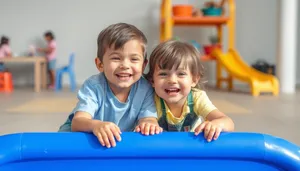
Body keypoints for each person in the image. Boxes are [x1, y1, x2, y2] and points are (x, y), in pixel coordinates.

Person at [58, 23, 162, 148]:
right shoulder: (94, 86)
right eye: (116, 58)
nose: (125, 65)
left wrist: (148, 124)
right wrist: (96, 125)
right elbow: (78, 122)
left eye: (134, 59)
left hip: (112, 143)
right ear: (100, 64)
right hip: (78, 139)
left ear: (143, 65)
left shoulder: (145, 88)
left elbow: (148, 118)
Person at [145, 40, 234, 142]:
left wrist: (217, 124)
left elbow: (228, 122)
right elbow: (145, 121)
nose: (172, 80)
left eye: (181, 74)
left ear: (194, 79)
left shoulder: (197, 97)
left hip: (192, 149)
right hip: (162, 150)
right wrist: (147, 125)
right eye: (163, 74)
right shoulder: (150, 98)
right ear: (152, 80)